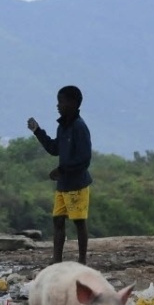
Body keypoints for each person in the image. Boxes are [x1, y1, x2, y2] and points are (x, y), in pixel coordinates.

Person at [27, 85, 91, 264]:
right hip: (63, 184)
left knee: (79, 223)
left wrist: (62, 170)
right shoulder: (63, 127)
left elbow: (84, 159)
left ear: (73, 103)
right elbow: (55, 149)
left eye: (61, 102)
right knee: (58, 221)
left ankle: (82, 261)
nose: (58, 106)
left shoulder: (80, 127)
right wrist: (37, 131)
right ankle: (56, 260)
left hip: (77, 184)